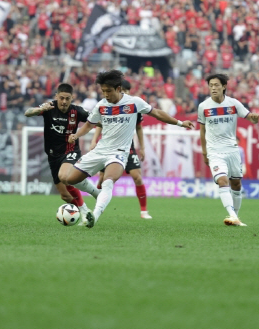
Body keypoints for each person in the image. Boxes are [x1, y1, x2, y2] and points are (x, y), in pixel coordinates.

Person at [62, 70, 194, 229]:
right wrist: (76, 135)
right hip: (100, 150)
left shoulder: (134, 102)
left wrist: (180, 123)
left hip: (119, 153)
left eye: (108, 91)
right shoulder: (101, 105)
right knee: (70, 179)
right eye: (103, 91)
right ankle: (96, 194)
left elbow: (158, 113)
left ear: (118, 89)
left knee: (108, 182)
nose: (106, 95)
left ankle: (94, 216)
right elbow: (90, 125)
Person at [24, 83, 92, 222]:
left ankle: (85, 209)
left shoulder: (77, 111)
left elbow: (95, 120)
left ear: (72, 98)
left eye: (67, 98)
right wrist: (39, 110)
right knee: (65, 196)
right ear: (56, 96)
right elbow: (28, 112)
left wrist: (79, 134)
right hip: (53, 155)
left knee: (64, 176)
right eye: (61, 98)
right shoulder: (49, 107)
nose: (64, 101)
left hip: (70, 151)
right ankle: (84, 212)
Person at [198, 73, 259, 227]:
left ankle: (235, 216)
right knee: (222, 180)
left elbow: (249, 117)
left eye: (216, 85)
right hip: (214, 151)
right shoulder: (203, 106)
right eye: (211, 85)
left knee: (236, 184)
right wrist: (205, 152)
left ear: (224, 86)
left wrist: (254, 118)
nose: (213, 88)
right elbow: (202, 131)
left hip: (232, 150)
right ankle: (232, 215)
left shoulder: (233, 104)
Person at [91, 79, 151, 219]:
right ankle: (99, 206)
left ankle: (144, 211)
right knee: (101, 180)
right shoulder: (108, 106)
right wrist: (94, 140)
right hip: (108, 147)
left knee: (137, 176)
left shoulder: (134, 106)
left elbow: (139, 127)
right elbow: (99, 124)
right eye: (124, 91)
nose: (126, 93)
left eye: (128, 91)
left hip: (127, 147)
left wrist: (142, 147)